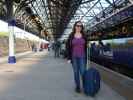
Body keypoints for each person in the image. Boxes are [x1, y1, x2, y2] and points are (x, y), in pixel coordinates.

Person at [66, 21, 87, 93]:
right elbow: (68, 46)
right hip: (74, 56)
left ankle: (85, 86)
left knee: (83, 72)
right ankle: (78, 86)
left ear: (82, 27)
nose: (79, 27)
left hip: (82, 57)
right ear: (75, 26)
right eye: (77, 26)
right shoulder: (71, 35)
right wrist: (68, 57)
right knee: (76, 72)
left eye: (80, 26)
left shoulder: (84, 35)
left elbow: (86, 45)